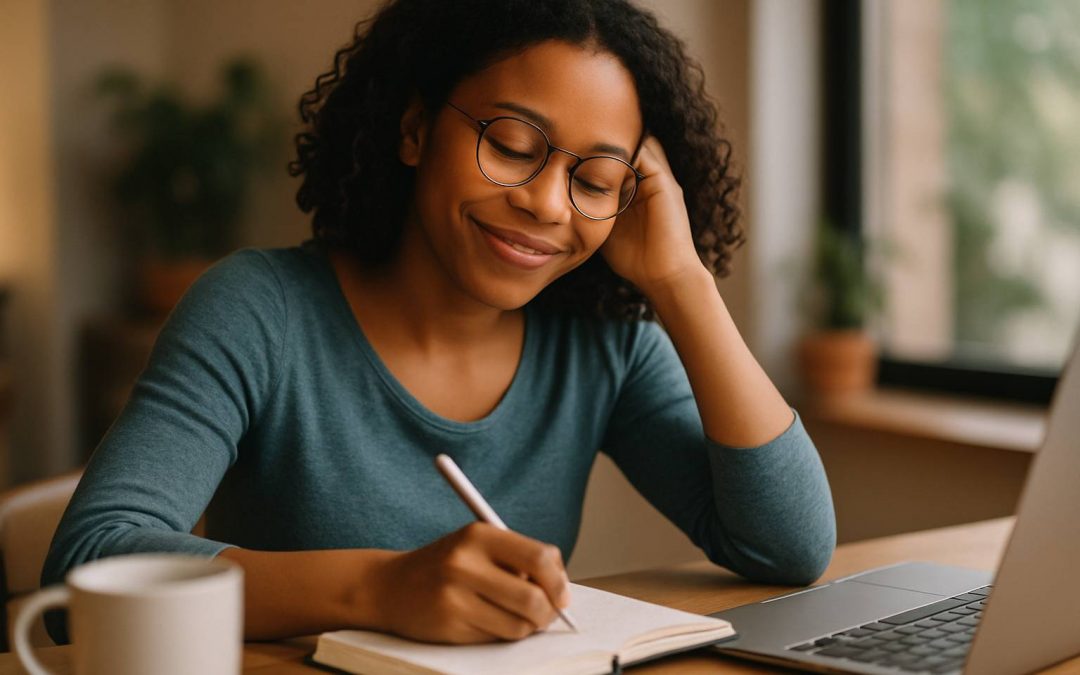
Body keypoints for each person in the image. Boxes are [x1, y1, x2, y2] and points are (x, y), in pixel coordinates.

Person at [44, 0, 835, 645]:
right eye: (514, 143)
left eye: (595, 179)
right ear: (415, 129)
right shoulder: (260, 310)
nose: (547, 204)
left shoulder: (604, 343)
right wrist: (380, 588)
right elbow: (91, 557)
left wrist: (681, 280)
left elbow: (789, 546)